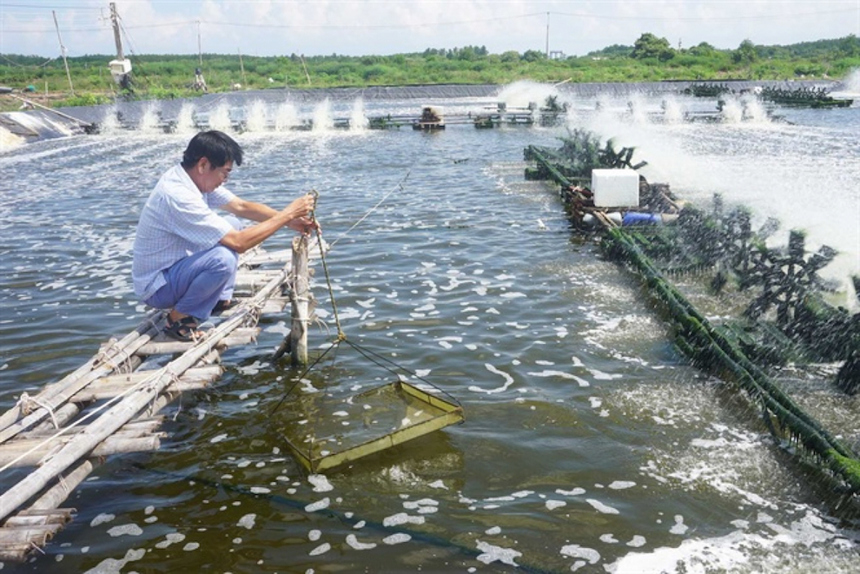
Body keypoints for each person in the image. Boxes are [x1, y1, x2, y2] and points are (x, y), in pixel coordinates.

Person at [132, 130, 316, 342]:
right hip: (158, 287)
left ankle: (218, 299)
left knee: (232, 223)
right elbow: (239, 243)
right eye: (224, 173)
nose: (224, 180)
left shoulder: (190, 178)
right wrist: (288, 213)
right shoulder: (178, 195)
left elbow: (240, 206)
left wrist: (292, 222)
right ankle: (178, 318)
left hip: (175, 269)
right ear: (203, 165)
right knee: (223, 259)